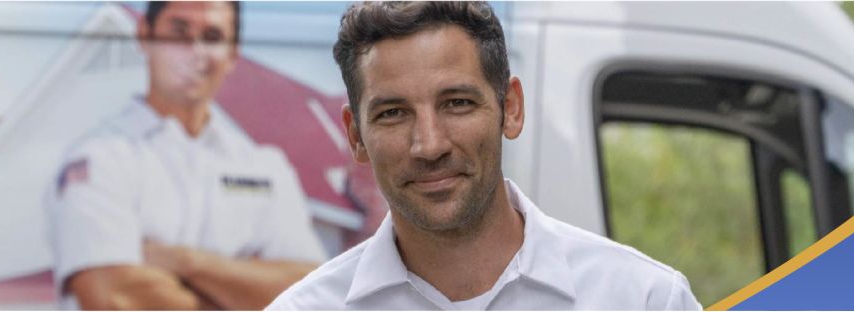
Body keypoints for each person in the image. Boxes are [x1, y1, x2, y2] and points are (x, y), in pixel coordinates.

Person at [265, 2, 702, 310]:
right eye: (393, 113)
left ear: (510, 108)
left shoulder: (641, 299)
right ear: (355, 136)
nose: (430, 145)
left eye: (457, 103)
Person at [47, 1, 324, 310]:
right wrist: (242, 285)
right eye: (178, 33)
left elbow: (308, 293)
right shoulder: (98, 159)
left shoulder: (264, 166)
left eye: (212, 36)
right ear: (144, 35)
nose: (196, 51)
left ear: (233, 54)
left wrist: (184, 262)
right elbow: (113, 297)